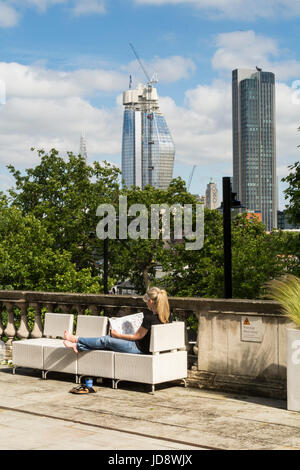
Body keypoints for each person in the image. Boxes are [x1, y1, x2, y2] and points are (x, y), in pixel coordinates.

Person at [63, 287, 171, 354]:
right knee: (106, 341)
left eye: (147, 301)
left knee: (107, 340)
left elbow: (136, 337)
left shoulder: (149, 318)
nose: (146, 303)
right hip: (148, 349)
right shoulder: (166, 317)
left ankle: (77, 340)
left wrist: (117, 335)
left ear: (151, 301)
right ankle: (77, 346)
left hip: (139, 348)